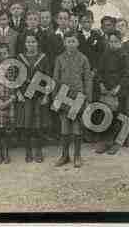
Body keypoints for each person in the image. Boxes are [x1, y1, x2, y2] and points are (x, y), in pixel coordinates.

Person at [53, 31, 93, 168]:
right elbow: (55, 80)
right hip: (63, 95)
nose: (71, 44)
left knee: (76, 127)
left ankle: (77, 155)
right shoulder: (59, 59)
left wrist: (88, 98)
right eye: (68, 41)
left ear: (78, 43)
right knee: (64, 127)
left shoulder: (84, 59)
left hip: (78, 96)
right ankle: (65, 155)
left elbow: (87, 79)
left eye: (73, 41)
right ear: (64, 43)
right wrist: (55, 98)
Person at [15, 34, 52, 163]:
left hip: (39, 95)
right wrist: (18, 92)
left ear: (37, 43)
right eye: (28, 42)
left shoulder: (43, 58)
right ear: (25, 44)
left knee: (38, 124)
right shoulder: (20, 58)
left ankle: (38, 151)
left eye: (33, 42)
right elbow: (16, 77)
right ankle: (28, 151)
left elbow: (48, 78)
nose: (31, 44)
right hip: (25, 96)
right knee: (27, 124)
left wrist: (47, 95)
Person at [95, 31, 129, 155]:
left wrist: (118, 87)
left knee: (120, 116)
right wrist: (101, 84)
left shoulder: (123, 55)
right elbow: (99, 71)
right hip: (106, 89)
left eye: (116, 42)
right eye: (111, 41)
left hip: (119, 90)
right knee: (105, 115)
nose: (113, 44)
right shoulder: (106, 54)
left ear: (120, 42)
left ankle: (118, 142)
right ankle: (105, 141)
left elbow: (126, 74)